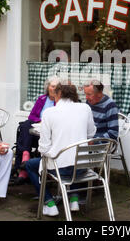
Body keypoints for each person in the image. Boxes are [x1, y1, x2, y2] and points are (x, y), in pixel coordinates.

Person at [26, 82, 96, 216]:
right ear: (74, 95)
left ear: (58, 94)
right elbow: (91, 134)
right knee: (74, 155)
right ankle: (74, 199)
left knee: (30, 165)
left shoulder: (49, 113)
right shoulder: (85, 108)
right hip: (83, 167)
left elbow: (44, 148)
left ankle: (50, 204)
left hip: (61, 169)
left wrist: (55, 146)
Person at [13, 76, 60, 185]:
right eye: (52, 86)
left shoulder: (60, 101)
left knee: (24, 135)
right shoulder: (42, 99)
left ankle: (23, 170)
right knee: (25, 125)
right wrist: (39, 122)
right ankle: (26, 156)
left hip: (50, 133)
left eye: (56, 87)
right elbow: (32, 116)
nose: (54, 89)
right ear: (48, 87)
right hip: (37, 129)